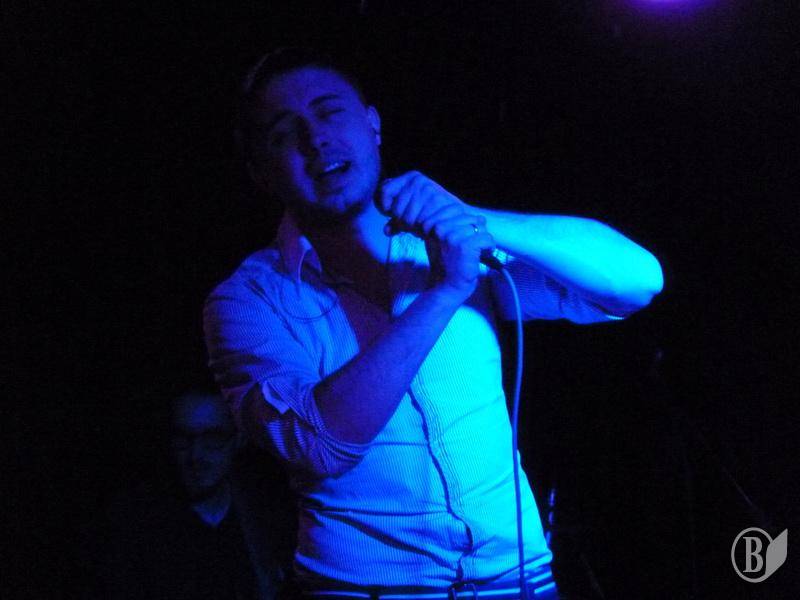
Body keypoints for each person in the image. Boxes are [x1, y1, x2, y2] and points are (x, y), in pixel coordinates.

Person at [204, 47, 663, 598]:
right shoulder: (248, 299)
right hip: (365, 591)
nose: (316, 139)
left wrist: (472, 220)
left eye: (329, 112)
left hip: (521, 582)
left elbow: (637, 281)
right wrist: (443, 294)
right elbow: (318, 443)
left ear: (372, 125)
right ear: (261, 172)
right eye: (284, 133)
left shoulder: (450, 242)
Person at [81, 390, 293, 599]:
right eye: (183, 438)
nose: (196, 454)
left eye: (213, 437)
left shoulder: (265, 519)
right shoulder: (132, 524)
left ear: (239, 439)